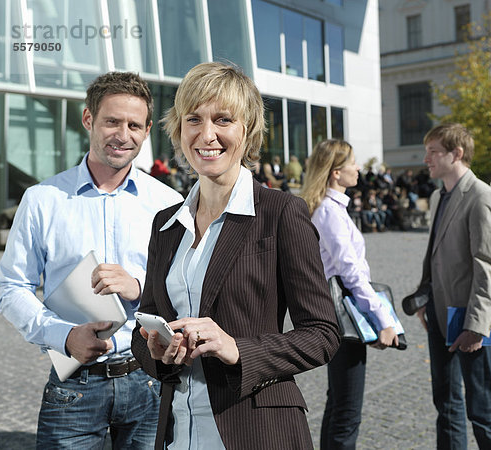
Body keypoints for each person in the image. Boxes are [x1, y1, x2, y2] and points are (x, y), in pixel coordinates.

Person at [131, 62, 340, 450]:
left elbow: (323, 334)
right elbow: (142, 328)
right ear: (179, 129)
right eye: (194, 119)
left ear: (247, 130)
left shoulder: (281, 212)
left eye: (222, 119)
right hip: (177, 432)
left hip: (257, 432)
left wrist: (237, 348)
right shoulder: (165, 223)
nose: (206, 134)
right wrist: (156, 350)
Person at [0, 71, 184, 448]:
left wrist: (139, 287)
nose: (123, 134)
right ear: (88, 120)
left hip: (149, 383)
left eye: (134, 124)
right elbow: (10, 287)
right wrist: (63, 336)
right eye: (112, 121)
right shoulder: (42, 199)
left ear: (147, 130)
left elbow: (187, 289)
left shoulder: (168, 204)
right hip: (75, 388)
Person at [407, 123, 491, 449]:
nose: (427, 159)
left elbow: (487, 268)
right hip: (440, 313)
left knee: (483, 408)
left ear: (457, 153)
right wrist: (425, 297)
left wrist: (476, 327)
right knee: (446, 404)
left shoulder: (482, 198)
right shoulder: (439, 196)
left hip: (474, 319)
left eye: (434, 151)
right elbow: (435, 254)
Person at [300, 139, 399, 450]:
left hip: (342, 314)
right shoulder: (329, 213)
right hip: (345, 318)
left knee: (339, 403)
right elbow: (351, 273)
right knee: (347, 410)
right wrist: (383, 318)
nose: (358, 168)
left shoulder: (331, 209)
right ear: (335, 173)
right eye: (353, 163)